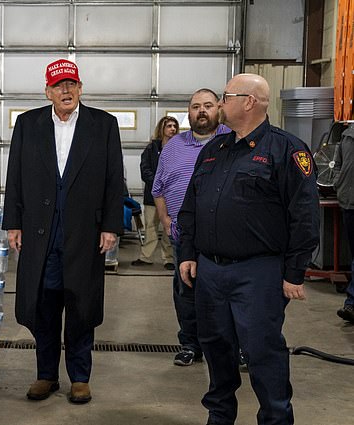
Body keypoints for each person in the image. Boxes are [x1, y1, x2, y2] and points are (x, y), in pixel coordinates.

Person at [178, 73, 320, 425]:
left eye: (226, 96)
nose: (220, 103)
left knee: (262, 352)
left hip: (258, 273)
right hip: (210, 272)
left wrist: (294, 273)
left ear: (249, 102)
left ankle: (275, 418)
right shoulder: (215, 149)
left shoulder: (287, 149)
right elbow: (192, 207)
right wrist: (186, 254)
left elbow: (304, 216)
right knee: (216, 347)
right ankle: (220, 416)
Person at [2, 59, 124, 404]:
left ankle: (80, 378)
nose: (65, 91)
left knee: (81, 305)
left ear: (81, 88)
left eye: (71, 84)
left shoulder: (103, 125)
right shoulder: (28, 124)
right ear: (48, 91)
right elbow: (15, 177)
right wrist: (13, 222)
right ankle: (46, 375)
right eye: (58, 86)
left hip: (84, 232)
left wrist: (111, 226)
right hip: (41, 232)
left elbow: (115, 178)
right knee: (43, 305)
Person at [151, 89, 230, 366]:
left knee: (224, 294)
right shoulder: (174, 146)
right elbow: (158, 188)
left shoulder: (231, 141)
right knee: (185, 291)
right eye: (196, 106)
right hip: (182, 236)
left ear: (218, 108)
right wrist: (165, 220)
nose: (202, 111)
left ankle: (233, 347)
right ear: (189, 112)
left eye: (208, 105)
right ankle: (190, 344)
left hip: (221, 238)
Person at [131, 116, 178, 270]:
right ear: (162, 129)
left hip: (171, 197)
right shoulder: (151, 149)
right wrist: (159, 184)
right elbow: (145, 171)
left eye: (174, 126)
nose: (172, 129)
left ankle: (169, 259)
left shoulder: (179, 149)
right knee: (150, 226)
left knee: (168, 228)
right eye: (169, 126)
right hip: (152, 196)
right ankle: (146, 257)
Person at [334, 124, 354, 322]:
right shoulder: (347, 135)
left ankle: (351, 303)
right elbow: (337, 163)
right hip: (349, 202)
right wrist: (339, 183)